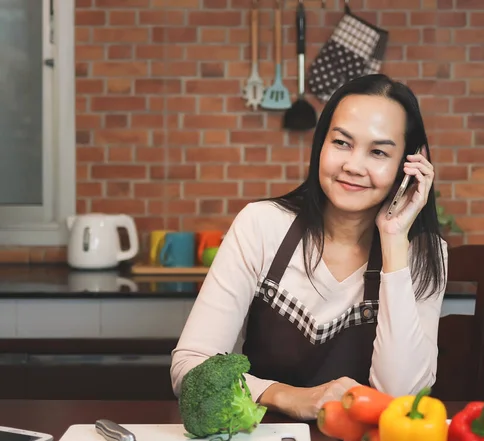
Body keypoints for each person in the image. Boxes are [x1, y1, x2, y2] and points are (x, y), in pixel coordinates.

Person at [170, 74, 448, 420]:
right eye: (342, 143)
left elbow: (401, 398)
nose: (353, 166)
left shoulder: (422, 254)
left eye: (378, 152)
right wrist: (288, 397)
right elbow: (191, 368)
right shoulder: (261, 225)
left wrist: (393, 239)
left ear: (407, 165)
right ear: (321, 145)